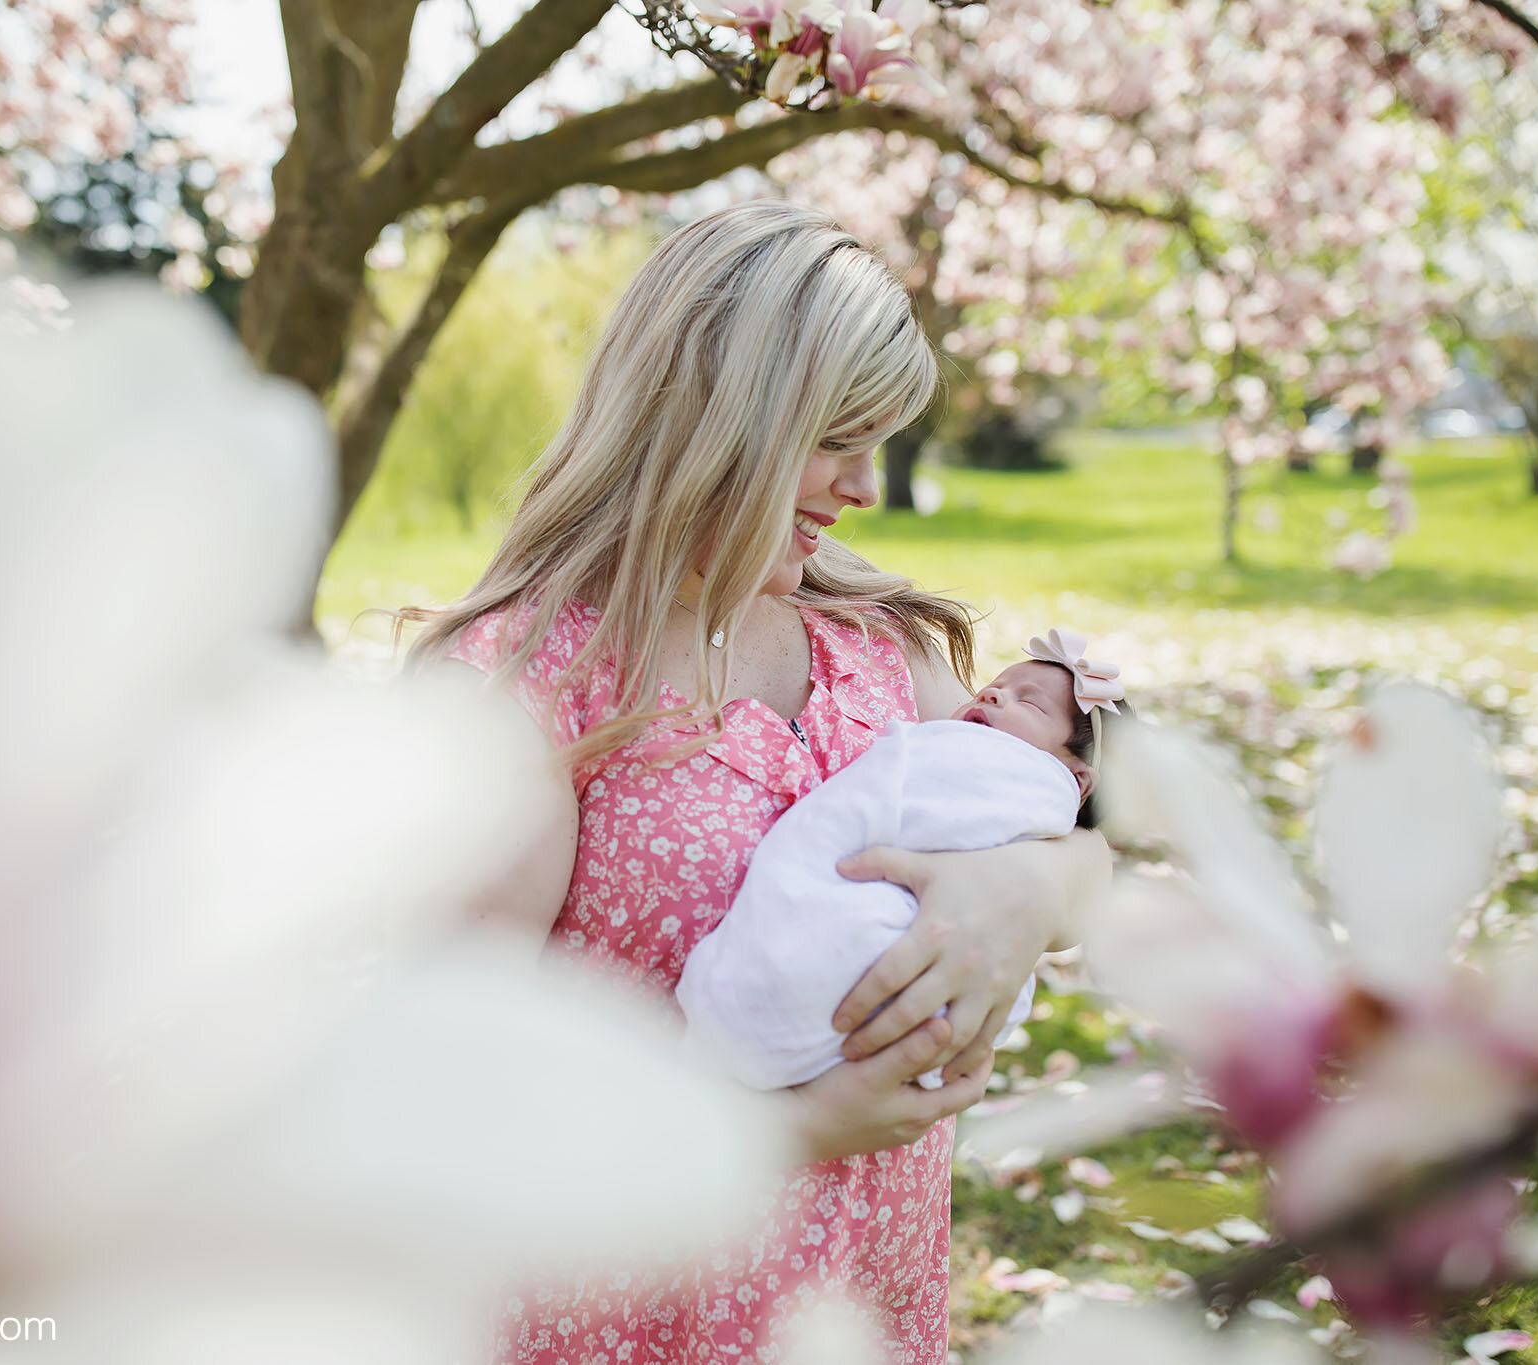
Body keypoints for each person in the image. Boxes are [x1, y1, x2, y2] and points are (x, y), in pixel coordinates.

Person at [399, 201, 1110, 1365]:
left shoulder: (879, 649)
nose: (863, 486)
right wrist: (789, 1131)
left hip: (858, 1308)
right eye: (835, 439)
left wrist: (1030, 896)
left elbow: (1073, 843)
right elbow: (460, 1095)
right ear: (711, 421)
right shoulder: (526, 691)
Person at [677, 630, 1129, 1091]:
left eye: (1029, 704)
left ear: (1078, 781)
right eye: (992, 688)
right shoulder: (950, 743)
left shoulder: (1022, 780)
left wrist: (1032, 881)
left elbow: (1084, 865)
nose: (993, 693)